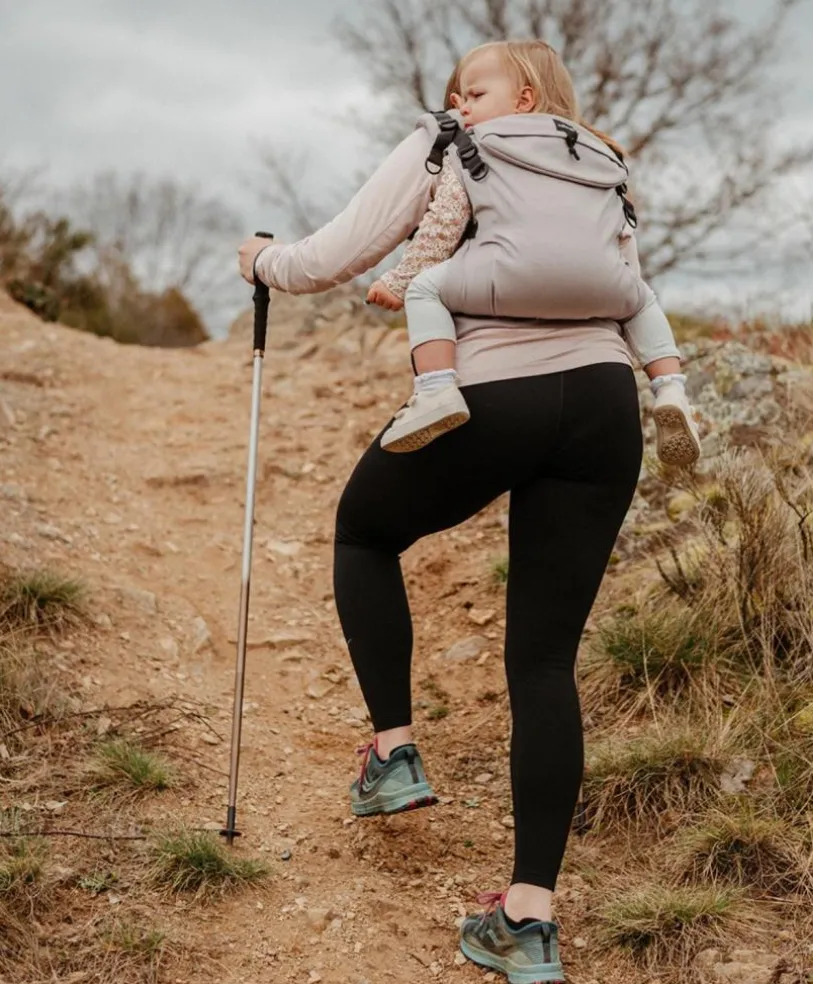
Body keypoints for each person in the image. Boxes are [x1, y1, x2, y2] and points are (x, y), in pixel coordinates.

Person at [238, 39, 695, 984]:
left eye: (469, 85)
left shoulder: (453, 140)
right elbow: (613, 284)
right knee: (543, 660)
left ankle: (394, 754)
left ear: (513, 92)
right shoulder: (597, 159)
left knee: (365, 531)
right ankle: (528, 920)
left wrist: (262, 260)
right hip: (607, 405)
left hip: (494, 394)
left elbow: (332, 253)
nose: (456, 97)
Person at [364, 41, 699, 464]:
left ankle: (435, 391)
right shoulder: (600, 156)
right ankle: (671, 389)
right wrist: (615, 291)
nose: (462, 108)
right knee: (641, 299)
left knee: (425, 290)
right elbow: (621, 239)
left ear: (524, 99)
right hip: (597, 290)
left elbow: (439, 232)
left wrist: (397, 280)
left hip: (506, 280)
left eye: (475, 96)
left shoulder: (471, 150)